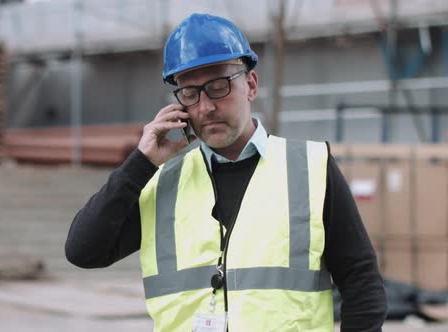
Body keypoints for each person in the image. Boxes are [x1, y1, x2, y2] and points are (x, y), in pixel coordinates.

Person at [66, 13, 386, 331]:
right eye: (190, 94)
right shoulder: (162, 182)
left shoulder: (311, 168)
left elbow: (362, 285)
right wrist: (141, 162)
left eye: (218, 86)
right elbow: (83, 250)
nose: (205, 107)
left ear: (250, 84)